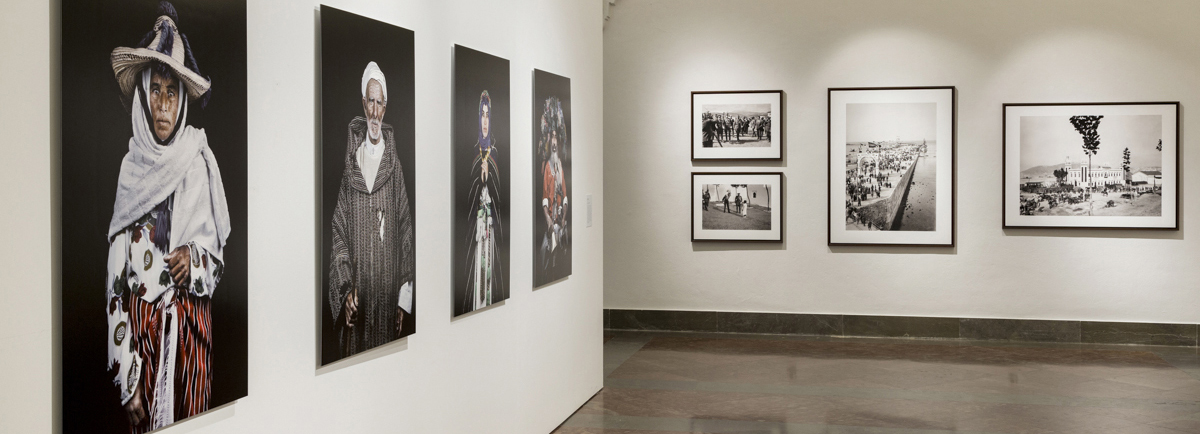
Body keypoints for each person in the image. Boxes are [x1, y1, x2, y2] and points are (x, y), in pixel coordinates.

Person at [104, 3, 231, 431]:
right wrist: (128, 376)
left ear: (181, 101)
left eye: (171, 92)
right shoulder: (130, 169)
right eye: (155, 90)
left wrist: (193, 260)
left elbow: (214, 262)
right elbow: (116, 286)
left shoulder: (197, 161)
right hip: (141, 344)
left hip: (190, 339)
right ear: (142, 95)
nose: (162, 103)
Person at [328, 61, 416, 358]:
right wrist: (344, 292)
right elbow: (339, 231)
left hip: (387, 299)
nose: (375, 113)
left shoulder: (395, 168)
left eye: (380, 103)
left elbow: (405, 230)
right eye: (370, 102)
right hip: (359, 300)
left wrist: (404, 301)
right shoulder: (351, 165)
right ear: (363, 104)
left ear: (385, 106)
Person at [462, 90, 505, 314]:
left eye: (488, 116)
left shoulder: (495, 153)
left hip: (491, 232)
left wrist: (489, 178)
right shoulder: (473, 154)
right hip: (478, 235)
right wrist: (479, 181)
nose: (485, 121)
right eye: (482, 115)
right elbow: (468, 198)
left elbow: (500, 198)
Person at [539, 96, 568, 271]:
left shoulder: (560, 167)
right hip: (551, 223)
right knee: (547, 258)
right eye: (552, 138)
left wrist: (563, 218)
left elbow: (564, 195)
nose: (555, 142)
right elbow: (544, 197)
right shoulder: (547, 167)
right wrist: (548, 218)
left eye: (557, 138)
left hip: (559, 223)